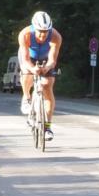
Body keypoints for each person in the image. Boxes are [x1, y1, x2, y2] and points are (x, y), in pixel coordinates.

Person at [18, 11, 62, 140]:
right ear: (34, 28)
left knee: (47, 85)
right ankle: (26, 97)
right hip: (29, 57)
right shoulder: (25, 34)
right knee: (27, 73)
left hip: (45, 58)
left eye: (46, 31)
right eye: (40, 31)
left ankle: (47, 127)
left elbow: (52, 60)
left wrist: (47, 67)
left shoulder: (55, 36)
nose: (43, 35)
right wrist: (33, 68)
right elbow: (26, 59)